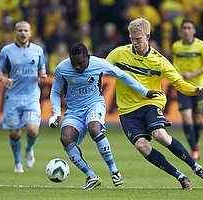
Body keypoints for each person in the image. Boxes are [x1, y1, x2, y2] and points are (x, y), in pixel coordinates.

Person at [105, 18, 203, 190]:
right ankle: (180, 176)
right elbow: (101, 68)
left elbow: (179, 84)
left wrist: (195, 90)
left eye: (138, 39)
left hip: (151, 102)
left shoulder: (160, 61)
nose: (134, 42)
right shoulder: (119, 53)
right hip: (126, 110)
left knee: (160, 135)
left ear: (147, 36)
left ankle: (197, 168)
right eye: (132, 38)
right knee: (142, 146)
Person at [49, 42, 162, 190]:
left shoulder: (99, 64)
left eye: (80, 63)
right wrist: (56, 113)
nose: (77, 67)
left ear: (88, 57)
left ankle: (114, 171)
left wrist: (145, 91)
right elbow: (55, 92)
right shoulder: (62, 68)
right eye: (73, 63)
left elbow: (122, 75)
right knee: (65, 138)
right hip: (74, 111)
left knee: (94, 129)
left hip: (94, 104)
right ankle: (92, 176)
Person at [0, 21, 47, 173]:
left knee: (32, 130)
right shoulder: (6, 51)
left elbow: (42, 67)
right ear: (15, 33)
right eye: (20, 31)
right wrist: (4, 80)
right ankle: (18, 162)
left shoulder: (38, 50)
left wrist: (42, 74)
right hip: (13, 97)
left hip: (32, 97)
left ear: (30, 33)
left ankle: (29, 149)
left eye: (26, 30)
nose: (23, 33)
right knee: (15, 132)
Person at [172, 18, 203, 160]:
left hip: (200, 87)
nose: (186, 31)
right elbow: (175, 64)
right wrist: (178, 74)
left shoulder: (202, 46)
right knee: (186, 118)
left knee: (197, 119)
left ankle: (196, 142)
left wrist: (192, 74)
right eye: (184, 28)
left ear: (194, 31)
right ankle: (194, 149)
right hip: (183, 86)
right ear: (180, 31)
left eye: (189, 28)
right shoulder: (176, 46)